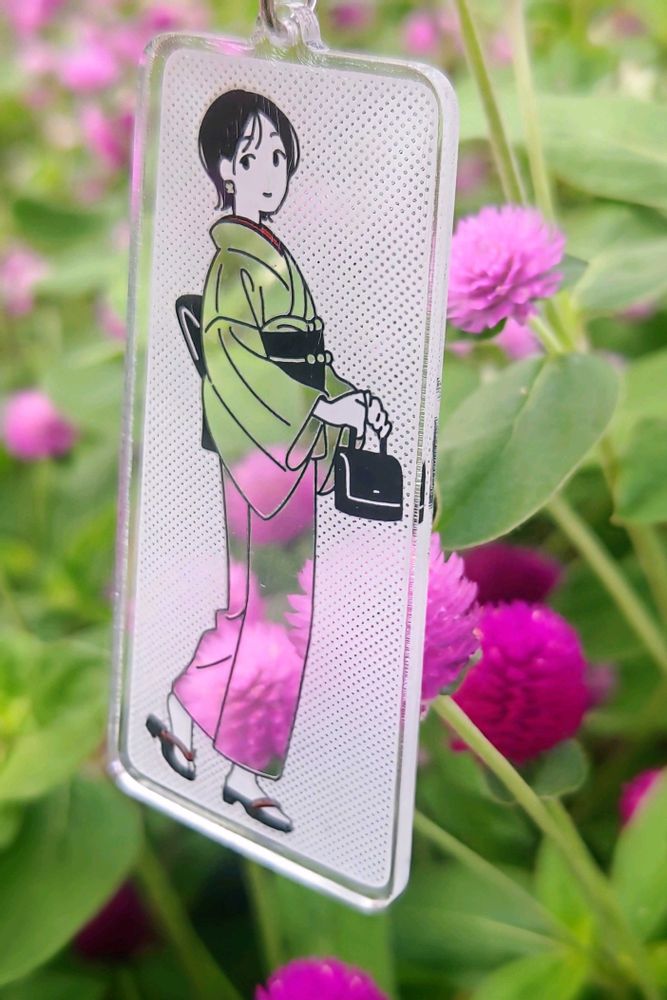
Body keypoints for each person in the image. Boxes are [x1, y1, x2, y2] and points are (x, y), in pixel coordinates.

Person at [146, 90, 389, 833]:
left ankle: (186, 719)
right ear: (223, 169)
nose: (271, 173)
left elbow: (305, 356)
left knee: (261, 608)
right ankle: (246, 771)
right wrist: (321, 411)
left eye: (280, 157)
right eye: (254, 158)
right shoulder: (235, 265)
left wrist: (349, 399)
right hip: (263, 454)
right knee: (273, 614)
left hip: (284, 445)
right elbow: (236, 365)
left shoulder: (270, 255)